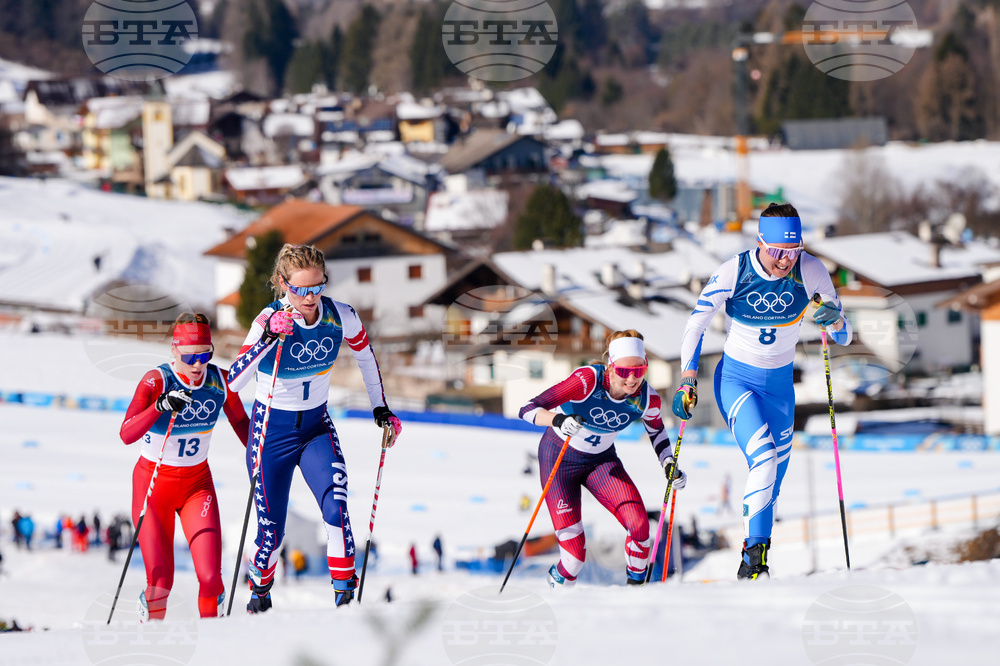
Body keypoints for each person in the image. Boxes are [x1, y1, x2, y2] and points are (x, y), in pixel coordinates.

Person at [673, 203, 852, 580]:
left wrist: (834, 318)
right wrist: (688, 375)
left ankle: (759, 565)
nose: (785, 260)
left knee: (771, 482)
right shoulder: (734, 271)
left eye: (793, 250)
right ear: (759, 243)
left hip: (780, 391)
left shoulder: (811, 270)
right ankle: (751, 560)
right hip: (736, 380)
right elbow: (697, 322)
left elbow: (844, 334)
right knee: (765, 458)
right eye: (777, 251)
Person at [228, 243, 403, 613]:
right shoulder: (267, 319)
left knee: (336, 508)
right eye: (300, 289)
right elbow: (234, 381)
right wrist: (267, 340)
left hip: (314, 428)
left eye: (318, 287)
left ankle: (345, 601)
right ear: (282, 283)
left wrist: (381, 409)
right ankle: (259, 594)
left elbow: (366, 359)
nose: (310, 298)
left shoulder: (341, 316)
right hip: (270, 434)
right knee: (271, 535)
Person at [518, 330, 686, 587]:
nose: (631, 379)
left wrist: (668, 464)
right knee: (574, 558)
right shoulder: (586, 381)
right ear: (611, 366)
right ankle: (558, 590)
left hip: (600, 462)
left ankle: (636, 594)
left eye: (639, 371)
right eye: (623, 371)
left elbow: (657, 432)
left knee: (640, 527)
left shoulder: (646, 398)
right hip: (559, 459)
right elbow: (528, 409)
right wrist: (559, 420)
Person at [119, 313, 250, 620]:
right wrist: (159, 406)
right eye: (190, 355)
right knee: (161, 582)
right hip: (153, 485)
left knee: (210, 578)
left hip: (196, 485)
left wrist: (263, 453)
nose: (197, 364)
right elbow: (126, 433)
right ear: (174, 350)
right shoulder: (157, 381)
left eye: (204, 354)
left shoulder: (220, 382)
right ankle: (151, 636)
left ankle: (213, 645)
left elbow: (243, 424)